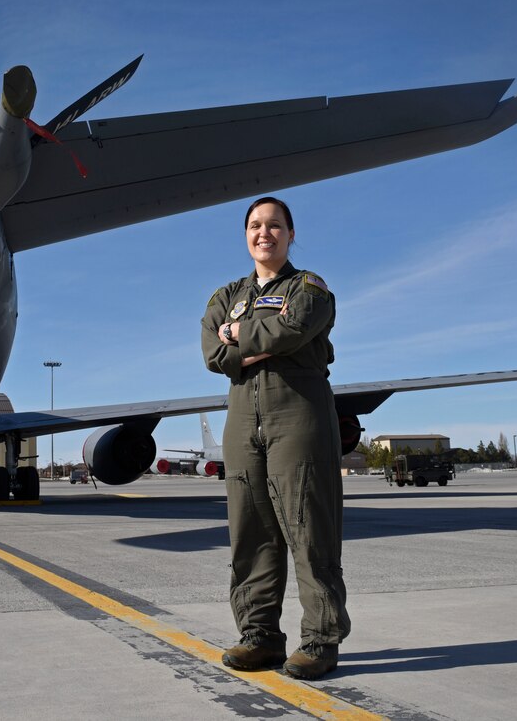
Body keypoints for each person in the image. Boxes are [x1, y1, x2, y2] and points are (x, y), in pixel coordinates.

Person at [201, 196, 349, 680]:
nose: (264, 233)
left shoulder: (309, 288)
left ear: (289, 234)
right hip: (242, 418)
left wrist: (238, 337)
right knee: (251, 532)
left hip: (298, 414)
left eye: (275, 226)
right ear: (245, 234)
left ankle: (321, 638)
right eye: (254, 226)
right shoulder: (225, 296)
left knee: (308, 528)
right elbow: (212, 355)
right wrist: (250, 340)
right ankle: (260, 636)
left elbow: (295, 329)